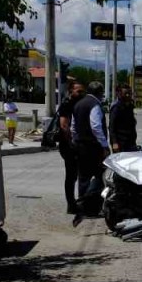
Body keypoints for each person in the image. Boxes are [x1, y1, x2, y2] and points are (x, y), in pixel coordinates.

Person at [71, 81, 110, 224]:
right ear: (99, 92)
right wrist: (104, 146)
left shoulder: (78, 104)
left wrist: (76, 141)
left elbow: (73, 127)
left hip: (80, 146)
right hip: (93, 147)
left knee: (83, 177)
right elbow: (96, 127)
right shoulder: (95, 105)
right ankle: (91, 206)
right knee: (101, 176)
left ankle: (83, 206)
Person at [56, 83, 84, 215]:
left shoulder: (78, 103)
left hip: (74, 144)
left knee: (75, 175)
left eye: (82, 92)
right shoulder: (67, 104)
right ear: (71, 91)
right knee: (71, 175)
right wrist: (71, 143)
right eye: (78, 91)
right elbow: (64, 125)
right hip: (68, 145)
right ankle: (71, 204)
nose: (81, 94)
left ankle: (76, 202)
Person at [109, 84, 138, 153]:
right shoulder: (116, 108)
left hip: (131, 141)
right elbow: (112, 127)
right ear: (119, 94)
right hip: (120, 142)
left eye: (129, 93)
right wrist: (114, 142)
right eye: (125, 93)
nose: (128, 95)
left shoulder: (130, 106)